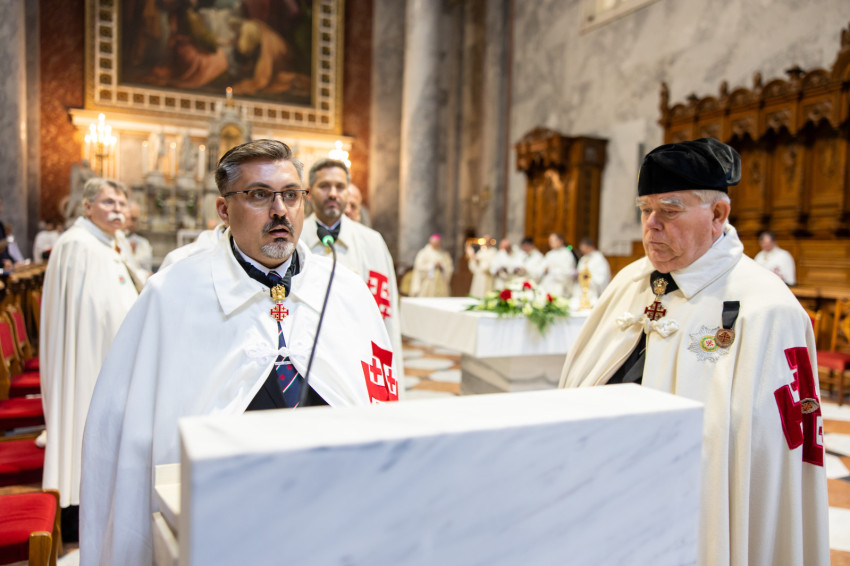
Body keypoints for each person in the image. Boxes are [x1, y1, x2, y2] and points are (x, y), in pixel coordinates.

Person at [80, 140, 398, 566]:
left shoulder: (345, 290)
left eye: (291, 195)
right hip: (224, 519)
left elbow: (379, 403)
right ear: (224, 210)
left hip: (332, 509)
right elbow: (126, 436)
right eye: (259, 195)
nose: (280, 210)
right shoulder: (172, 296)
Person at [560, 138, 828, 565]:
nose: (651, 225)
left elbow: (763, 456)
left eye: (669, 211)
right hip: (602, 493)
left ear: (718, 214)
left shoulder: (767, 308)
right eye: (645, 210)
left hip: (691, 516)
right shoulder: (631, 281)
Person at [40, 178, 140, 542]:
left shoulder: (109, 243)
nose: (118, 209)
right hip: (85, 359)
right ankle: (75, 511)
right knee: (82, 422)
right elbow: (79, 315)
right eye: (108, 202)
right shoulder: (77, 245)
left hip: (109, 356)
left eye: (122, 203)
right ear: (87, 207)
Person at [301, 158, 404, 395]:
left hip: (358, 358)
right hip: (308, 361)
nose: (333, 193)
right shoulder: (294, 239)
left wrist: (390, 377)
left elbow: (386, 313)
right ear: (309, 193)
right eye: (324, 186)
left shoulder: (372, 242)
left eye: (340, 187)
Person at [573, 236, 610, 303]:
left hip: (594, 291)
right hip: (582, 289)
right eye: (582, 250)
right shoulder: (583, 259)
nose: (584, 252)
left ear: (592, 247)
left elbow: (601, 277)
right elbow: (579, 272)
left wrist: (588, 277)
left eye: (586, 249)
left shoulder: (599, 259)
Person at [538, 233, 577, 298]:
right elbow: (541, 268)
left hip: (561, 285)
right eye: (550, 241)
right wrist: (544, 270)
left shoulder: (566, 254)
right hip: (548, 284)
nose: (551, 243)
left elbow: (568, 272)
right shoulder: (549, 254)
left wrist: (551, 270)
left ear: (560, 241)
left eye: (553, 240)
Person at [126, 202, 153, 275]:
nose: (131, 223)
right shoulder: (112, 239)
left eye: (134, 220)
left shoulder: (143, 243)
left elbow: (147, 271)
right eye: (128, 218)